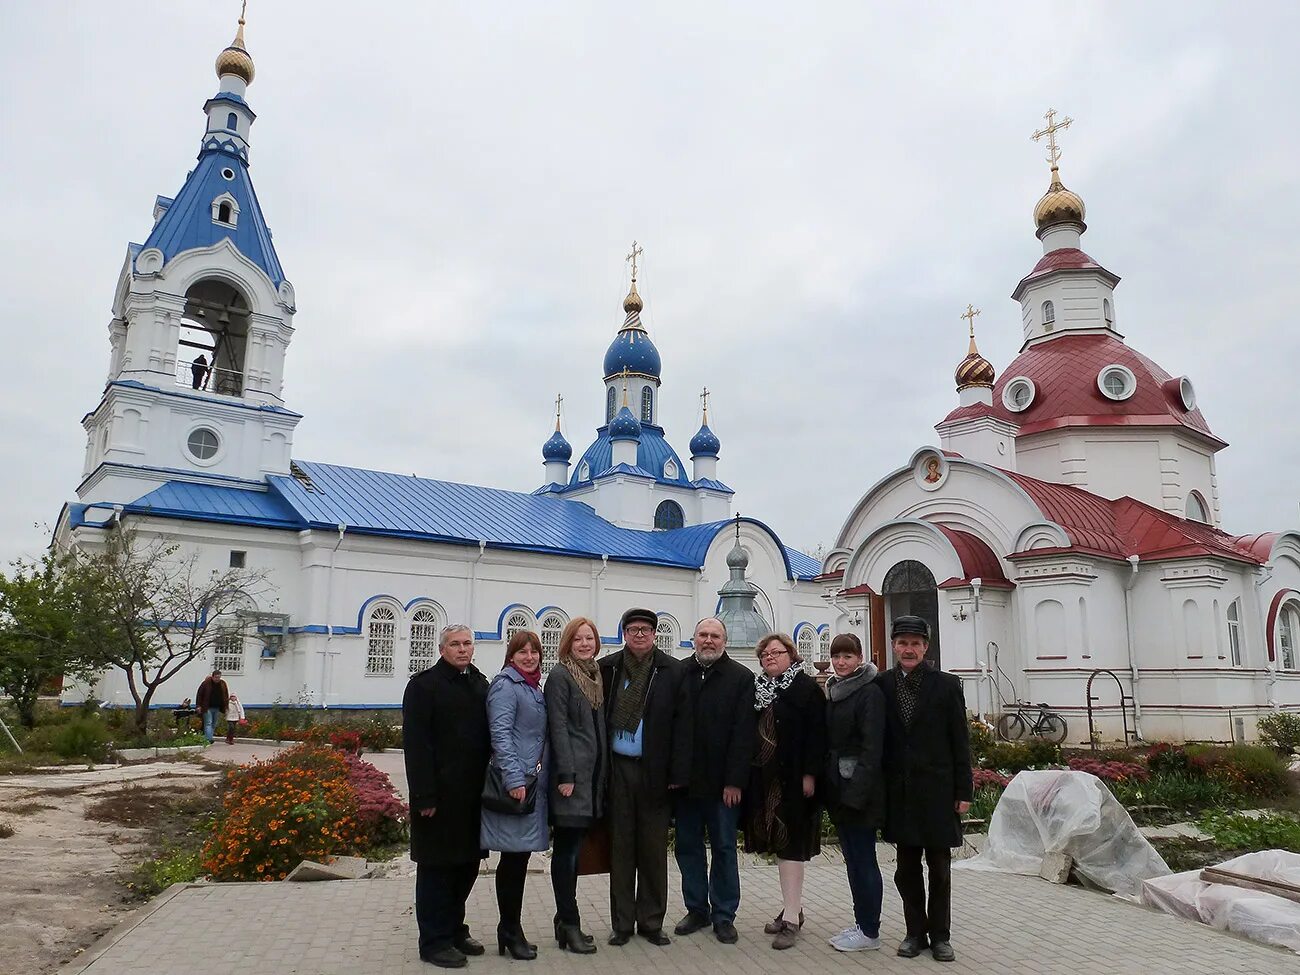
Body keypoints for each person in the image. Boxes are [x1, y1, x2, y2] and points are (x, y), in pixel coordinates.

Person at [878, 616, 973, 964]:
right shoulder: (883, 684)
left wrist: (964, 790)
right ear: (893, 646)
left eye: (915, 643)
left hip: (937, 792)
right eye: (902, 642)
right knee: (906, 869)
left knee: (939, 867)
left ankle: (941, 936)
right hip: (900, 793)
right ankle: (914, 932)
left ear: (926, 647)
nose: (908, 649)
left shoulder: (946, 685)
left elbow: (960, 742)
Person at [599, 607, 691, 947]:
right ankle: (622, 923)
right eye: (634, 629)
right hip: (618, 767)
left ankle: (651, 922)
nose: (640, 634)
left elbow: (684, 726)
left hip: (655, 771)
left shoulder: (671, 670)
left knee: (652, 850)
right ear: (624, 633)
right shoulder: (608, 668)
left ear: (654, 635)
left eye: (646, 630)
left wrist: (677, 774)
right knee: (621, 848)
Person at [403, 625, 491, 969]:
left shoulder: (478, 683)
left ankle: (455, 929)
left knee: (466, 866)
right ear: (442, 650)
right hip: (437, 797)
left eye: (467, 643)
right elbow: (417, 745)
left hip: (472, 797)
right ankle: (434, 941)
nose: (462, 649)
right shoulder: (424, 686)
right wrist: (424, 795)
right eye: (455, 644)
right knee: (437, 869)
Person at [672, 617, 755, 945]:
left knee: (723, 848)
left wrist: (735, 781)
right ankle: (696, 909)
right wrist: (672, 776)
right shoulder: (678, 674)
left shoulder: (740, 678)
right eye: (703, 635)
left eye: (715, 636)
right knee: (687, 848)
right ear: (694, 639)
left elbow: (743, 733)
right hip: (686, 783)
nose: (709, 641)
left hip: (723, 786)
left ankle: (723, 914)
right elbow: (669, 728)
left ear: (725, 641)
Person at [745, 633, 826, 950]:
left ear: (792, 656)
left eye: (776, 652)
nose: (769, 657)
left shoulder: (805, 688)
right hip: (765, 782)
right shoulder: (758, 689)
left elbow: (818, 735)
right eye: (764, 654)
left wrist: (810, 774)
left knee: (792, 844)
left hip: (794, 782)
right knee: (780, 845)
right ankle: (792, 907)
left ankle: (792, 919)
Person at [480, 630, 550, 961]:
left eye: (534, 651)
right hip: (517, 784)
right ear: (511, 656)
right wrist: (513, 778)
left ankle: (511, 929)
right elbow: (500, 734)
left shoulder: (531, 685)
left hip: (529, 782)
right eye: (522, 652)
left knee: (518, 858)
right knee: (512, 859)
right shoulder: (507, 686)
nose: (529, 657)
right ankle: (509, 929)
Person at [544, 617, 606, 955]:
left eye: (590, 638)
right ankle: (570, 923)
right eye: (578, 639)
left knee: (574, 853)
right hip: (571, 781)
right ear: (567, 643)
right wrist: (565, 775)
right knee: (566, 854)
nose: (585, 643)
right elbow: (558, 727)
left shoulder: (594, 675)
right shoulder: (560, 676)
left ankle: (562, 919)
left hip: (591, 780)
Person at [823, 633, 886, 953]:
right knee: (853, 860)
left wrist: (856, 794)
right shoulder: (836, 691)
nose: (841, 662)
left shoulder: (868, 693)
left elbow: (872, 748)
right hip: (840, 791)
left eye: (847, 656)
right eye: (836, 656)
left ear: (859, 658)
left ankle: (870, 930)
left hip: (859, 794)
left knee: (863, 860)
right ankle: (861, 923)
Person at [195, 669, 228, 743]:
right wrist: (198, 706)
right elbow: (199, 695)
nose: (217, 679)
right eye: (216, 677)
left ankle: (210, 737)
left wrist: (226, 707)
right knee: (208, 722)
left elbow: (225, 695)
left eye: (219, 677)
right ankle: (208, 739)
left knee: (214, 723)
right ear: (212, 676)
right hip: (207, 707)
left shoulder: (222, 684)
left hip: (217, 707)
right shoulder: (206, 683)